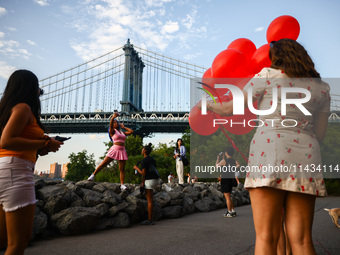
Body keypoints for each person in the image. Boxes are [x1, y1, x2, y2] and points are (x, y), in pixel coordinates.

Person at [205, 39, 330, 254]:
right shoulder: (322, 88)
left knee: (266, 238)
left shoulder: (267, 76)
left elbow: (227, 109)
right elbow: (319, 134)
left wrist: (207, 104)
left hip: (269, 154)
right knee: (301, 240)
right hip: (306, 157)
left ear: (278, 57)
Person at [0, 70, 63, 255]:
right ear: (29, 87)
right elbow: (6, 141)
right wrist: (44, 142)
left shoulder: (6, 110)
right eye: (37, 86)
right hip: (16, 172)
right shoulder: (23, 108)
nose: (39, 90)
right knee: (18, 243)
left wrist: (41, 148)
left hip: (6, 169)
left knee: (3, 239)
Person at [88, 112, 133, 191]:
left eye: (116, 122)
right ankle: (93, 175)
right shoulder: (112, 131)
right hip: (115, 149)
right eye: (114, 122)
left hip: (122, 150)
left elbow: (131, 131)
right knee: (103, 164)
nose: (115, 123)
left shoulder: (122, 132)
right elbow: (110, 124)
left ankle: (122, 185)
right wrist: (113, 117)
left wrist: (124, 127)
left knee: (122, 169)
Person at [134, 143, 159, 225]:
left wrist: (136, 168)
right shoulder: (153, 159)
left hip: (149, 181)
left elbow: (144, 174)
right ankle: (150, 217)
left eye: (142, 149)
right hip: (155, 180)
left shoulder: (144, 160)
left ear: (144, 151)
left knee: (150, 201)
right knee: (150, 199)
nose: (141, 151)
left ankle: (149, 220)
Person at [216, 147, 237, 217]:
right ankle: (233, 210)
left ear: (226, 153)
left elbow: (216, 166)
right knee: (229, 196)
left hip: (225, 180)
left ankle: (229, 212)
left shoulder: (224, 161)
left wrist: (218, 158)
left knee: (227, 197)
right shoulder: (233, 161)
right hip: (231, 179)